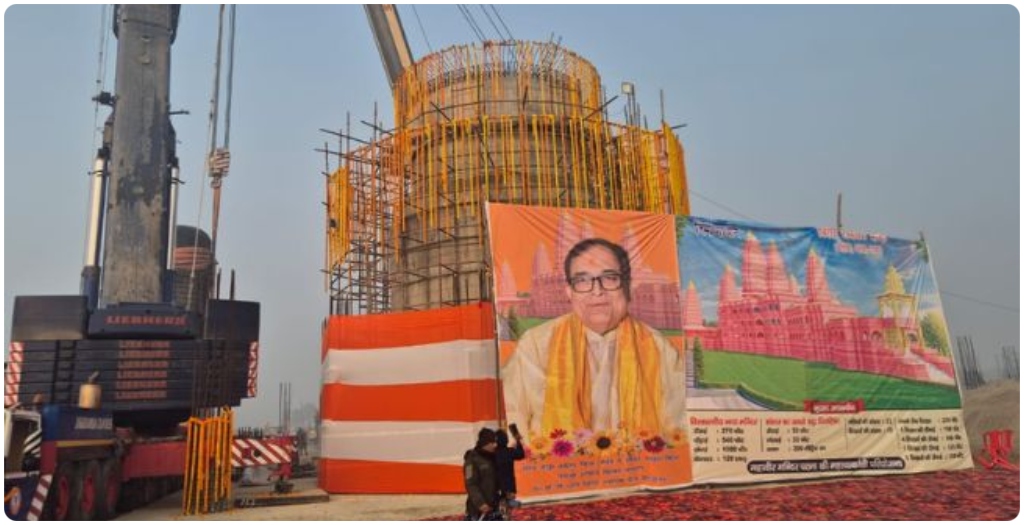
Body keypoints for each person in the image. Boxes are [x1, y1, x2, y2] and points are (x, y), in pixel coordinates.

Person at [501, 238, 687, 437]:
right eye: (582, 281)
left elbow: (681, 428)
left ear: (627, 286)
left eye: (610, 278)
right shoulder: (536, 345)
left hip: (644, 456)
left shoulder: (657, 347)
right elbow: (513, 420)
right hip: (558, 456)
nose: (597, 291)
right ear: (569, 292)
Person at [463, 428, 501, 520]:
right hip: (478, 509)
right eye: (492, 442)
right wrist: (480, 503)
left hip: (494, 505)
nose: (495, 445)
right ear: (485, 443)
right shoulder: (471, 460)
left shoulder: (493, 457)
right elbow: (471, 484)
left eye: (495, 442)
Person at [494, 426, 525, 510]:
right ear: (506, 440)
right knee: (510, 506)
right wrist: (518, 440)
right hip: (509, 484)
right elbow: (521, 454)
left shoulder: (492, 454)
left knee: (499, 506)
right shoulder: (509, 451)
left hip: (496, 485)